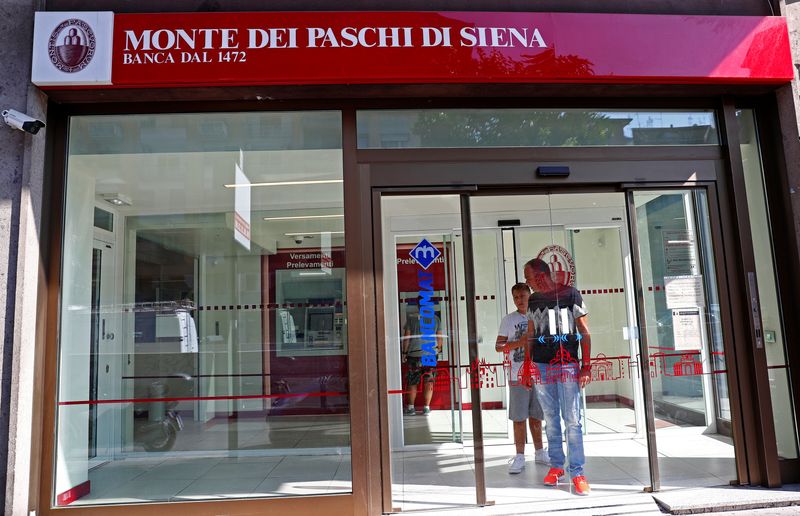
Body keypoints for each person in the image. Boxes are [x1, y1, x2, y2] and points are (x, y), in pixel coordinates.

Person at [524, 257, 592, 496]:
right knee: (551, 419)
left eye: (529, 277)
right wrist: (527, 366)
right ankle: (556, 467)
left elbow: (584, 332)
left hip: (567, 366)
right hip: (542, 367)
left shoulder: (571, 295)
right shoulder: (534, 300)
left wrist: (586, 366)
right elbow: (531, 335)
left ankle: (577, 472)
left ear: (541, 275)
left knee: (572, 420)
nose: (527, 282)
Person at [495, 283, 548, 474]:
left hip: (539, 373)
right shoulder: (508, 320)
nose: (520, 300)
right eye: (516, 297)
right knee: (519, 417)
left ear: (529, 295)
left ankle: (540, 451)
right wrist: (520, 342)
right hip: (518, 374)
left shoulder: (539, 315)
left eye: (523, 296)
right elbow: (499, 346)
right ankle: (519, 456)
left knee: (537, 415)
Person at [401, 306, 444, 415]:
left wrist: (404, 353)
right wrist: (438, 350)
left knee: (412, 382)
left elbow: (407, 337)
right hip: (430, 354)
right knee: (428, 381)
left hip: (414, 354)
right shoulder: (435, 319)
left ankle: (411, 408)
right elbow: (439, 338)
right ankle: (426, 408)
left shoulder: (412, 319)